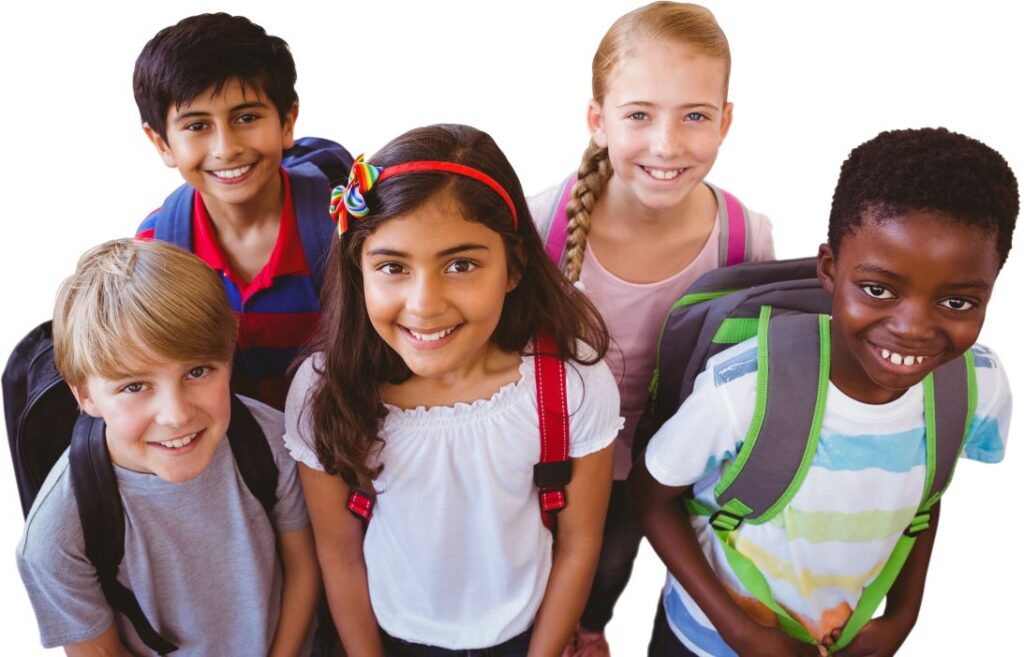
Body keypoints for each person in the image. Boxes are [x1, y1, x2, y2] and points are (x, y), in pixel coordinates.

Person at [630, 127, 1018, 657]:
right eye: (879, 289)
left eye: (956, 303)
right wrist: (741, 632)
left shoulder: (976, 387)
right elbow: (650, 500)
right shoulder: (746, 388)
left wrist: (901, 619)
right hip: (704, 641)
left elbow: (922, 497)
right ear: (830, 270)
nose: (911, 329)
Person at [284, 123, 623, 656]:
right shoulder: (326, 390)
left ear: (513, 267)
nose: (424, 303)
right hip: (390, 636)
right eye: (393, 267)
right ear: (359, 270)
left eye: (461, 264)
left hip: (526, 635)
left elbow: (579, 545)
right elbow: (339, 554)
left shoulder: (571, 384)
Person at [527, 4, 774, 653]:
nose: (667, 143)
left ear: (725, 121)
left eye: (694, 115)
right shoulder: (537, 223)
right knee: (535, 575)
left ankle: (590, 628)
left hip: (658, 469)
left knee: (609, 563)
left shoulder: (746, 238)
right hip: (542, 465)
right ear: (597, 120)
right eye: (639, 114)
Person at [17, 239, 319, 656]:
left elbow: (304, 570)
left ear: (228, 358)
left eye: (197, 371)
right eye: (135, 386)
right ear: (85, 395)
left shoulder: (271, 441)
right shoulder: (57, 534)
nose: (175, 415)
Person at [134, 13, 353, 409]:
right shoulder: (157, 249)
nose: (226, 147)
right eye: (197, 126)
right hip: (242, 458)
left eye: (247, 118)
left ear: (287, 122)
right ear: (161, 143)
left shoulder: (344, 220)